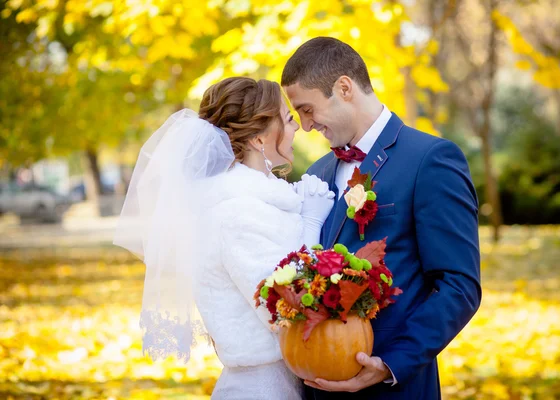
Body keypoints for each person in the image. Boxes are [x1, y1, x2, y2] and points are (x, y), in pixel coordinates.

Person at [282, 37, 482, 399]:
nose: (306, 126)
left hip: (393, 386)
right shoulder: (317, 173)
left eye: (307, 109)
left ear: (344, 88)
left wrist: (391, 364)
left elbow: (459, 285)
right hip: (315, 386)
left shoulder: (431, 160)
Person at [113, 77, 335, 399]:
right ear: (260, 138)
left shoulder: (257, 201)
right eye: (288, 120)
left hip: (286, 379)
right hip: (263, 387)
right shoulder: (236, 213)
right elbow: (281, 309)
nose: (297, 127)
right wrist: (312, 222)